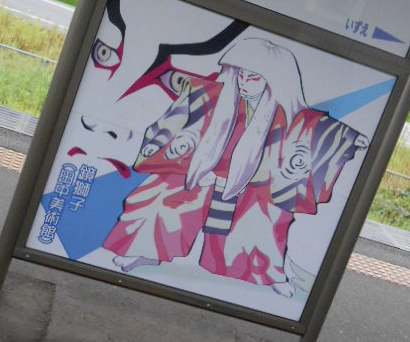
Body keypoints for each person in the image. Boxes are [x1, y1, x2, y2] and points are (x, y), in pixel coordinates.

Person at [104, 38, 368, 296]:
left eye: (253, 77)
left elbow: (317, 130)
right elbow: (178, 122)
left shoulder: (288, 113)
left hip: (253, 183)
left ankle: (266, 273)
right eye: (240, 74)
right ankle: (145, 251)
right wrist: (197, 167)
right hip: (202, 173)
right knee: (162, 195)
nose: (243, 82)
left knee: (265, 216)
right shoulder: (209, 96)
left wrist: (347, 141)